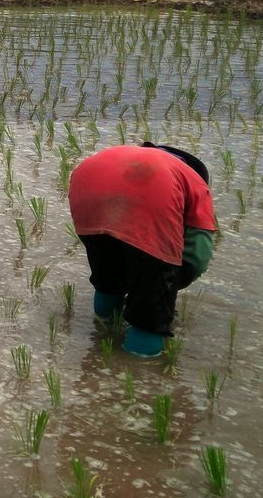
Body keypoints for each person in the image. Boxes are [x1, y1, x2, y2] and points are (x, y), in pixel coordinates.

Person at [68, 142, 215, 357]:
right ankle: (139, 369)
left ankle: (104, 325)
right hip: (153, 184)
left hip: (85, 180)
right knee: (151, 306)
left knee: (108, 270)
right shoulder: (196, 182)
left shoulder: (132, 152)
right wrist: (163, 284)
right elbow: (198, 256)